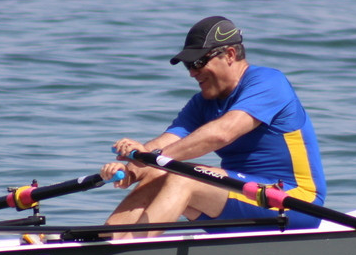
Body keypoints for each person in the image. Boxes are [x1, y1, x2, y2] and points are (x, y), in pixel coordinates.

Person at [100, 16, 326, 236]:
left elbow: (222, 133)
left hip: (294, 202)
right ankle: (106, 241)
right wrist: (131, 167)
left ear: (229, 55)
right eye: (188, 65)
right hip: (243, 197)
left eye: (198, 62)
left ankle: (130, 254)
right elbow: (167, 143)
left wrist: (149, 159)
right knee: (158, 175)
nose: (192, 72)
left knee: (183, 176)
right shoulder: (202, 103)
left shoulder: (268, 82)